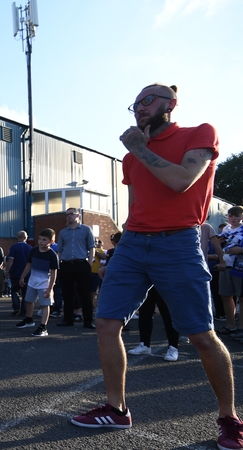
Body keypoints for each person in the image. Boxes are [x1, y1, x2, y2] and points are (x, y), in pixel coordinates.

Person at [70, 83, 243, 450]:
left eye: (148, 100)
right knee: (106, 323)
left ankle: (229, 419)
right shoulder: (131, 158)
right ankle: (116, 409)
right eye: (135, 104)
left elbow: (181, 181)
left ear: (171, 103)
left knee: (201, 335)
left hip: (178, 241)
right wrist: (118, 255)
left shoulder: (199, 133)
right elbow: (135, 208)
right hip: (133, 244)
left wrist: (139, 148)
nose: (139, 108)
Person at [56, 208, 95, 329]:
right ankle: (68, 319)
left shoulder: (86, 229)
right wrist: (58, 266)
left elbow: (91, 247)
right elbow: (59, 250)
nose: (68, 216)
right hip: (66, 264)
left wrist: (89, 264)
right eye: (66, 215)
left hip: (81, 264)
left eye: (71, 214)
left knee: (85, 293)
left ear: (78, 215)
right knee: (67, 293)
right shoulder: (63, 232)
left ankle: (88, 320)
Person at [16, 228, 59, 337]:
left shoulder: (52, 255)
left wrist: (50, 288)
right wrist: (22, 277)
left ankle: (43, 327)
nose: (41, 241)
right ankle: (29, 319)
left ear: (51, 241)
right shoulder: (33, 251)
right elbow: (29, 265)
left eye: (44, 240)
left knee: (45, 305)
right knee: (29, 301)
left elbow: (54, 273)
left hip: (44, 284)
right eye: (39, 239)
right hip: (32, 282)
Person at [127, 287, 180, 361]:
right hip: (148, 283)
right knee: (144, 312)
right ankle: (145, 344)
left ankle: (173, 348)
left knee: (168, 315)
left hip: (165, 283)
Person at [217, 206, 243, 334]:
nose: (233, 218)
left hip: (240, 268)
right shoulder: (226, 229)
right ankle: (230, 325)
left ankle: (241, 329)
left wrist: (241, 250)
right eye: (230, 215)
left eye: (236, 216)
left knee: (241, 298)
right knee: (226, 295)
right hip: (226, 265)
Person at [6, 231, 33, 316]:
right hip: (27, 274)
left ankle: (16, 307)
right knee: (25, 292)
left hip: (15, 272)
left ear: (17, 237)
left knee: (14, 290)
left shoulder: (14, 247)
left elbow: (11, 260)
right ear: (26, 238)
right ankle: (24, 310)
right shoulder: (30, 248)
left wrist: (7, 270)